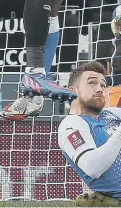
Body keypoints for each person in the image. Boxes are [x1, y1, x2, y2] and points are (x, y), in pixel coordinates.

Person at [58, 61, 121, 206]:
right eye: (92, 83)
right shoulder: (71, 125)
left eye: (103, 85)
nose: (100, 89)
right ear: (73, 90)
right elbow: (93, 168)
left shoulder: (110, 113)